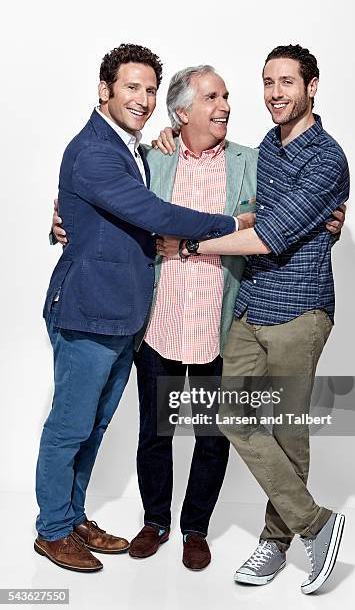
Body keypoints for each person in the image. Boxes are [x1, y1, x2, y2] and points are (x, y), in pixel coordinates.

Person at [36, 43, 254, 573]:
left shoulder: (133, 147)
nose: (142, 98)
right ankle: (52, 529)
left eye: (150, 89)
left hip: (131, 317)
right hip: (95, 312)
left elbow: (97, 216)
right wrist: (225, 225)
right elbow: (147, 210)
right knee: (71, 427)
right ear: (104, 90)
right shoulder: (100, 150)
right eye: (132, 87)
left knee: (94, 427)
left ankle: (73, 516)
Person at [156, 44, 349, 594]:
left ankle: (275, 542)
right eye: (268, 82)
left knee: (287, 432)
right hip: (249, 307)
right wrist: (167, 138)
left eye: (287, 82)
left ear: (312, 86)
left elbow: (266, 236)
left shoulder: (328, 158)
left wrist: (190, 243)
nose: (275, 93)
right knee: (234, 419)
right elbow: (228, 177)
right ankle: (316, 523)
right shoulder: (265, 146)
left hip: (299, 311)